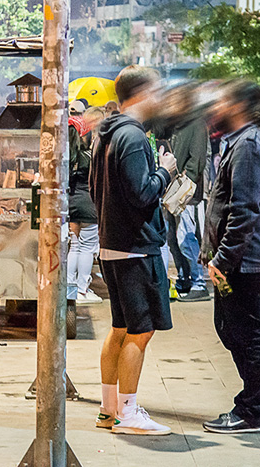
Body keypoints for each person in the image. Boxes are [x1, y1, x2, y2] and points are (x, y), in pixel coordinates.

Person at [89, 66, 177, 435]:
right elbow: (143, 192)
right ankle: (128, 412)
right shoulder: (134, 137)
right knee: (139, 333)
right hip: (136, 246)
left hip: (112, 241)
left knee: (119, 327)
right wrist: (166, 172)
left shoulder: (105, 133)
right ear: (140, 93)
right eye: (156, 91)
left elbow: (96, 189)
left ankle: (109, 409)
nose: (159, 99)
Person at [202, 82, 260, 434]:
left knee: (248, 331)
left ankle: (252, 409)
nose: (217, 107)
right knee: (232, 327)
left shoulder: (251, 145)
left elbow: (244, 210)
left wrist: (223, 259)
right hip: (247, 255)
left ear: (239, 106)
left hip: (241, 259)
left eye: (223, 101)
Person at [165, 83, 210, 302]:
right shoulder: (173, 124)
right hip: (170, 188)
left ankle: (199, 281)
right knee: (172, 237)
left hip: (186, 192)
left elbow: (198, 158)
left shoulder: (196, 124)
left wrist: (185, 186)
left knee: (186, 236)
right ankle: (185, 276)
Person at [67, 114, 100, 304]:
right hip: (89, 205)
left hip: (71, 205)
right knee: (87, 248)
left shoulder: (66, 158)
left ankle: (71, 288)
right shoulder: (90, 156)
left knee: (74, 246)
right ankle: (82, 290)